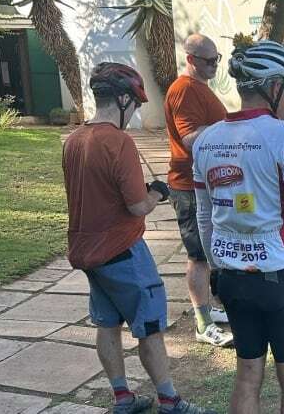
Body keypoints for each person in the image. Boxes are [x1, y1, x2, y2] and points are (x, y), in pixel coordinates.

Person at [62, 62, 215, 414]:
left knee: (107, 323)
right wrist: (158, 192)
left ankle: (122, 397)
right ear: (122, 98)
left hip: (89, 253)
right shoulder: (118, 142)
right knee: (149, 328)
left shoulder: (73, 140)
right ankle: (169, 400)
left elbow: (96, 192)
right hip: (123, 252)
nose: (136, 110)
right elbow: (136, 206)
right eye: (135, 102)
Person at [193, 40, 284, 414]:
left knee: (248, 372)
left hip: (231, 273)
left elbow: (204, 216)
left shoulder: (206, 139)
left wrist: (217, 265)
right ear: (275, 86)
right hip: (280, 271)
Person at [164, 33, 233, 347]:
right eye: (209, 60)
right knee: (198, 256)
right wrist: (230, 129)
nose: (215, 65)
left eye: (217, 59)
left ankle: (210, 309)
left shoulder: (199, 88)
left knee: (208, 252)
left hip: (204, 184)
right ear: (191, 59)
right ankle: (203, 323)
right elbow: (190, 138)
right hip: (188, 185)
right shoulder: (184, 90)